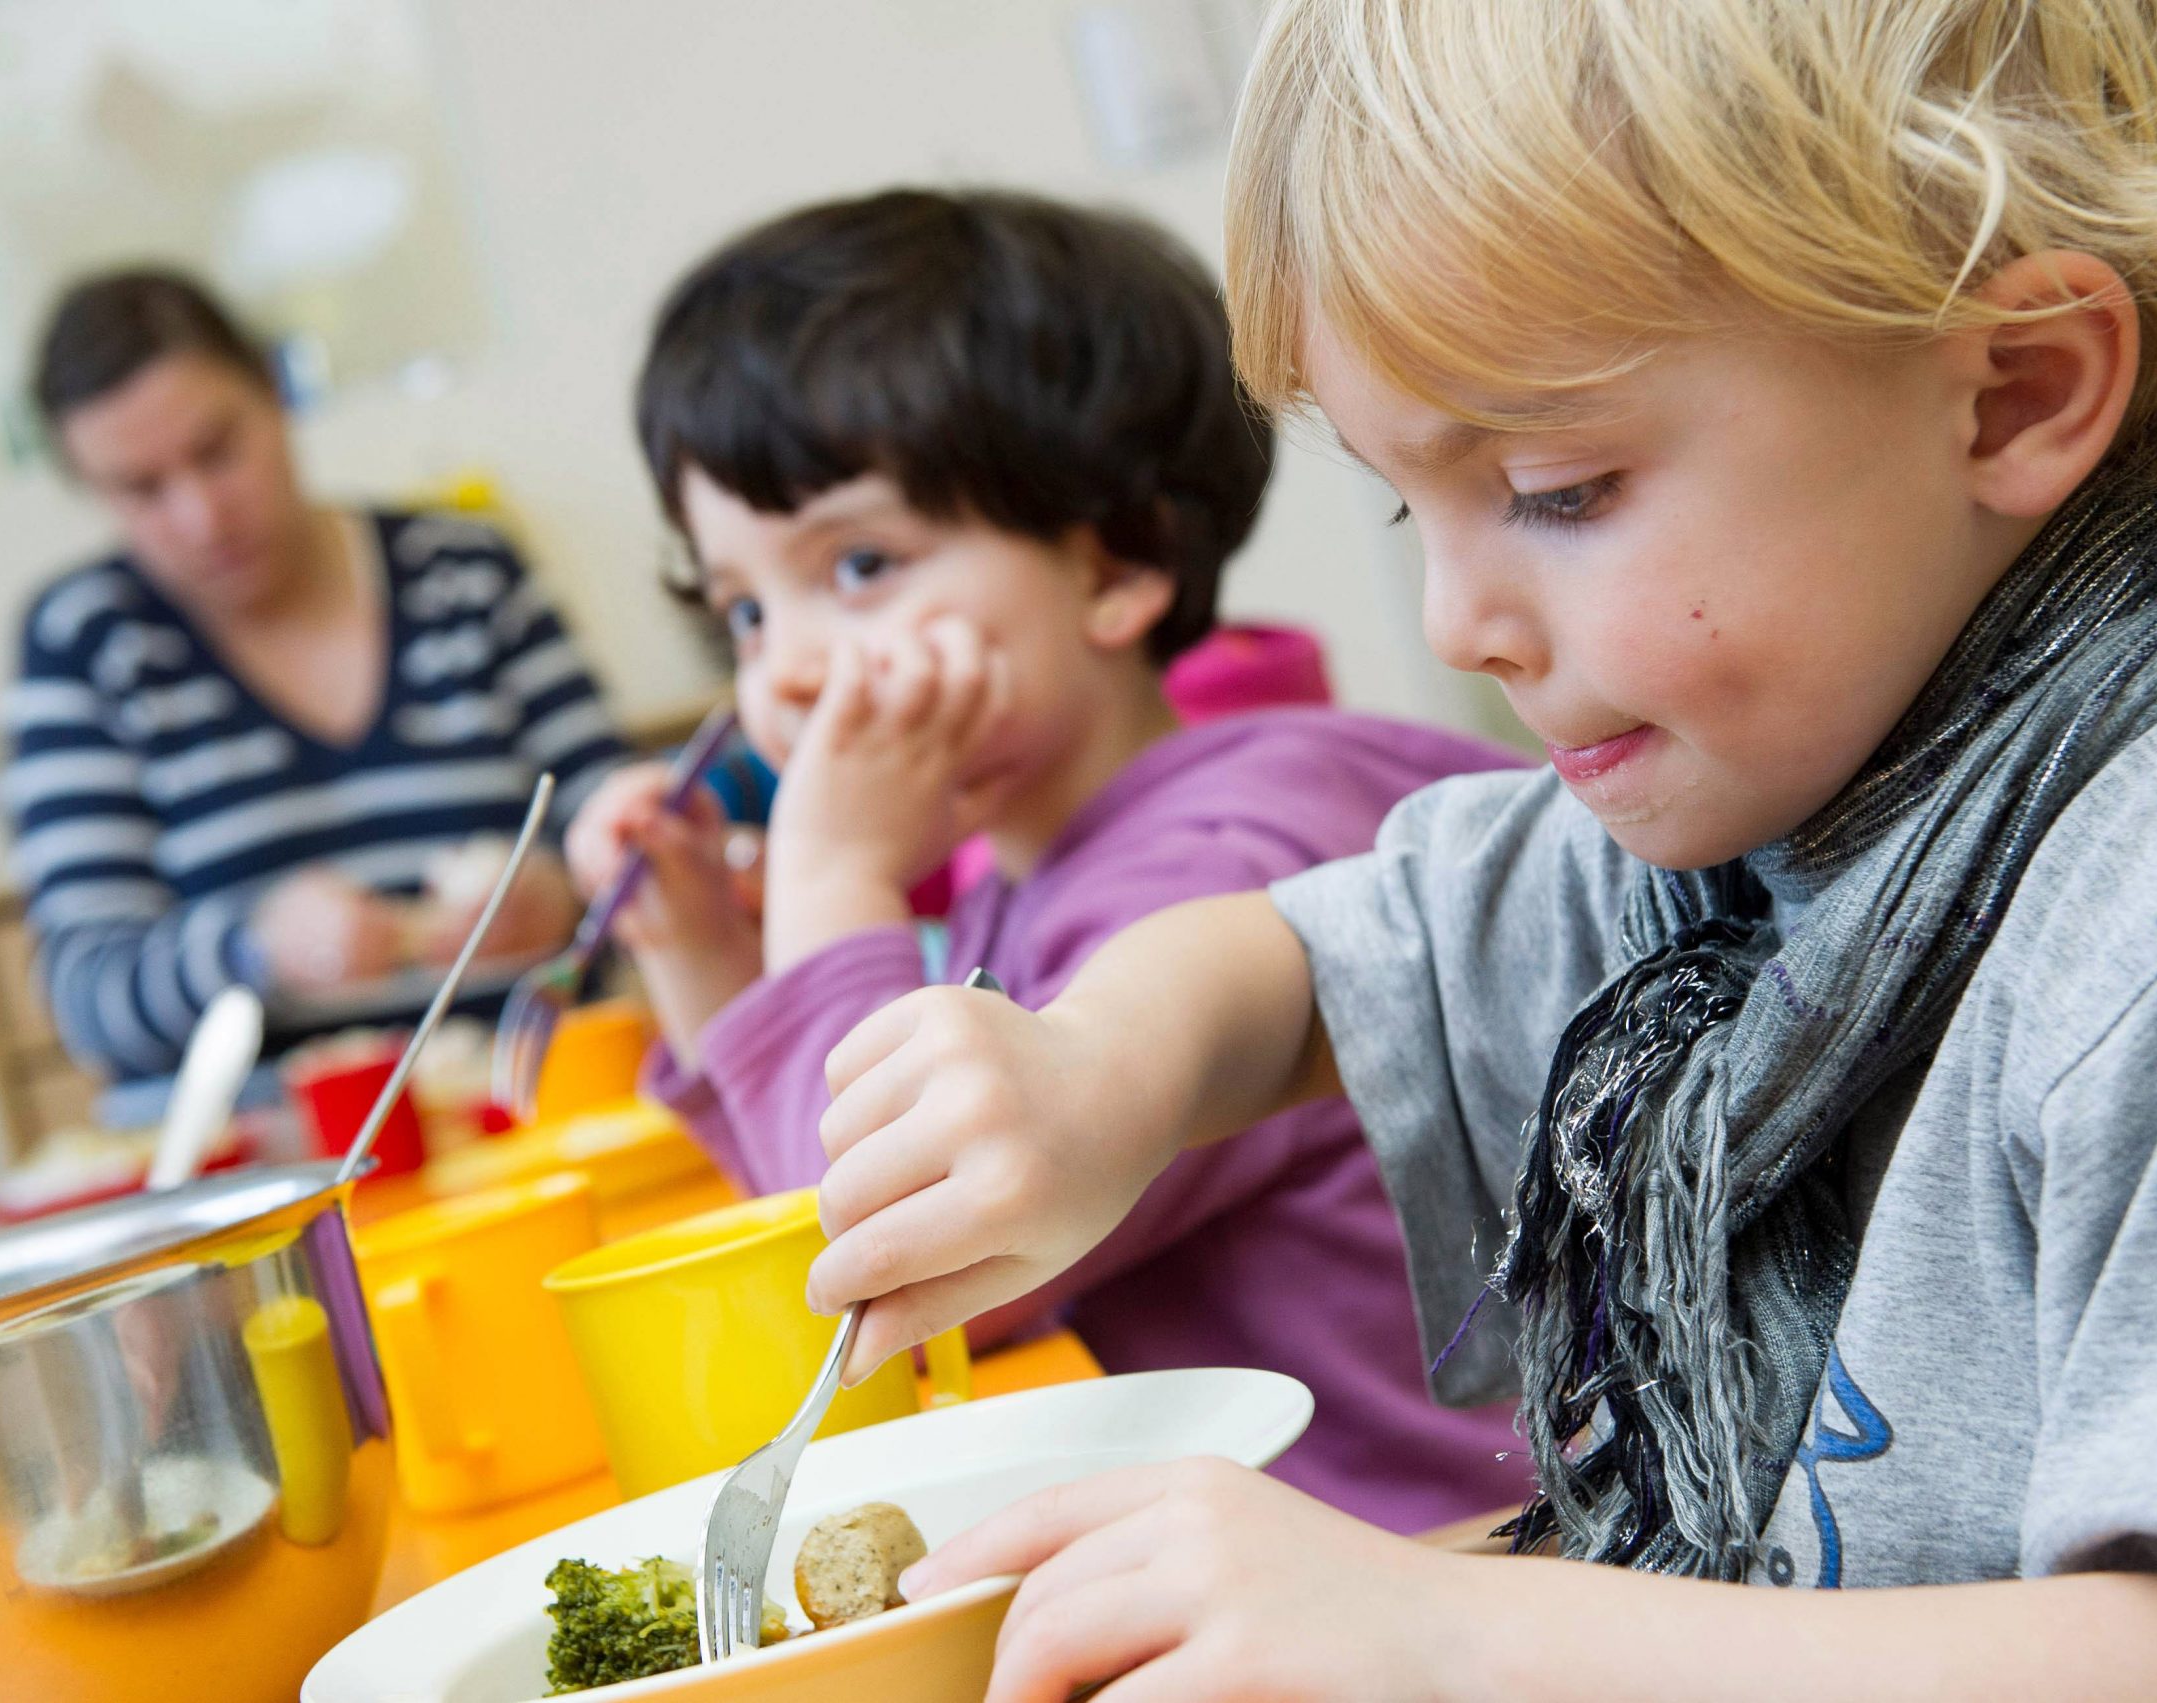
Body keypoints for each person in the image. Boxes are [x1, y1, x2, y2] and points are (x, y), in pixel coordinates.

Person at [800, 3, 2157, 1697]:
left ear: (2015, 393)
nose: (1462, 619)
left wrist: (1457, 1630)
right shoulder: (1777, 803)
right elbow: (1319, 959)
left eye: (1556, 484)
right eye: (1408, 501)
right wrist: (1099, 1070)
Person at [562, 188, 1534, 1534]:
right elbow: (810, 1226)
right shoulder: (1032, 865)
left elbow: (894, 1273)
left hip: (1430, 1565)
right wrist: (702, 950)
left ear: (1112, 563)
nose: (780, 664)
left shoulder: (1218, 854)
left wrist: (833, 875)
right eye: (740, 604)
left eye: (855, 562)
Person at [1, 269, 623, 1079]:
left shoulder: (466, 574)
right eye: (141, 489)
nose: (202, 517)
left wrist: (568, 895)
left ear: (273, 389)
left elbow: (628, 833)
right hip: (270, 1154)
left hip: (536, 1092)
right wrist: (251, 948)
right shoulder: (86, 642)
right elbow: (87, 995)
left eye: (218, 451)